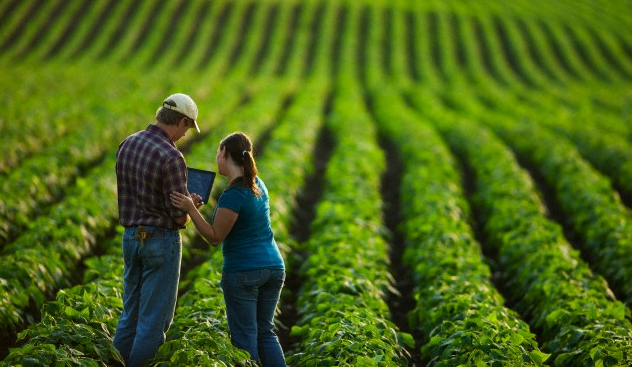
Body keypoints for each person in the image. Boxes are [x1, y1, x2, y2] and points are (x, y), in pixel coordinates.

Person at [170, 132, 286, 367]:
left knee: (244, 338)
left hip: (244, 271)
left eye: (217, 152)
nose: (216, 157)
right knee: (265, 332)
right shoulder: (257, 184)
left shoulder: (234, 195)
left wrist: (191, 209)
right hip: (273, 267)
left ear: (224, 153)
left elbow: (215, 237)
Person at [113, 93, 203, 367]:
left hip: (131, 237)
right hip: (160, 242)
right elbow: (178, 218)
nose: (186, 134)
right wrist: (191, 207)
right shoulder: (172, 157)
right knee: (154, 322)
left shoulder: (127, 144)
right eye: (188, 127)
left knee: (130, 315)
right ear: (183, 121)